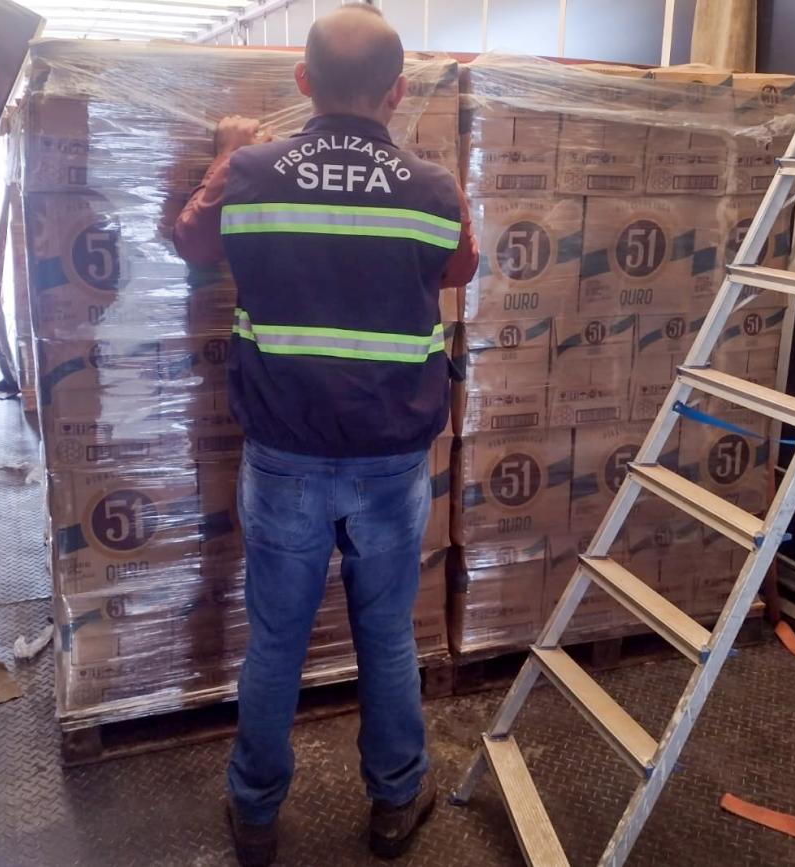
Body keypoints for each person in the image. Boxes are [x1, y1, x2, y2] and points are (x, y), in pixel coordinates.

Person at [169, 4, 477, 864]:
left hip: (285, 459)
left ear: (303, 82)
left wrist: (226, 153)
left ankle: (256, 814)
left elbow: (190, 243)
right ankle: (395, 801)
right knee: (386, 633)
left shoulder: (252, 174)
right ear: (397, 92)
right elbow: (461, 267)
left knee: (276, 639)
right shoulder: (433, 190)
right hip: (392, 460)